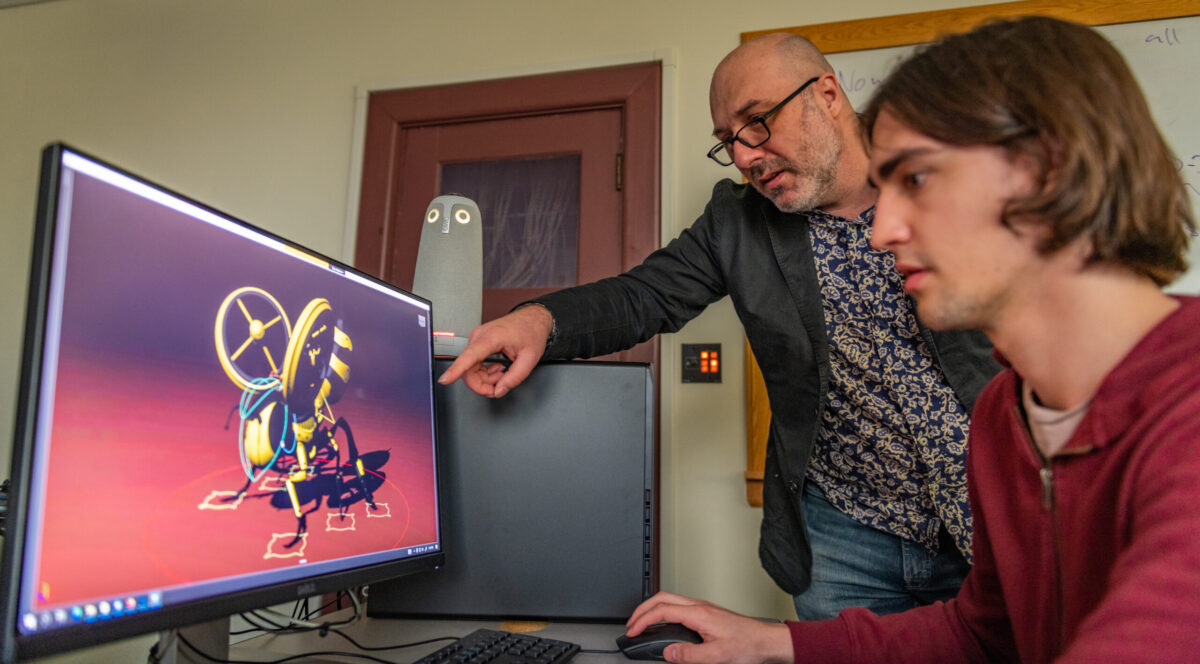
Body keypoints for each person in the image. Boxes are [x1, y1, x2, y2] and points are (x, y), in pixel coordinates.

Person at [624, 15, 1200, 663]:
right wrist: (772, 642)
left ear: (1048, 170)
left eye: (917, 180)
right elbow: (981, 633)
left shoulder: (1182, 407)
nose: (880, 230)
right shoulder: (1004, 417)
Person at [438, 33, 1000, 618]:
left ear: (828, 95)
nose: (745, 156)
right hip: (843, 536)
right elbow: (643, 296)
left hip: (989, 517)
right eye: (728, 140)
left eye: (757, 123)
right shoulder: (737, 222)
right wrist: (538, 321)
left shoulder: (950, 174)